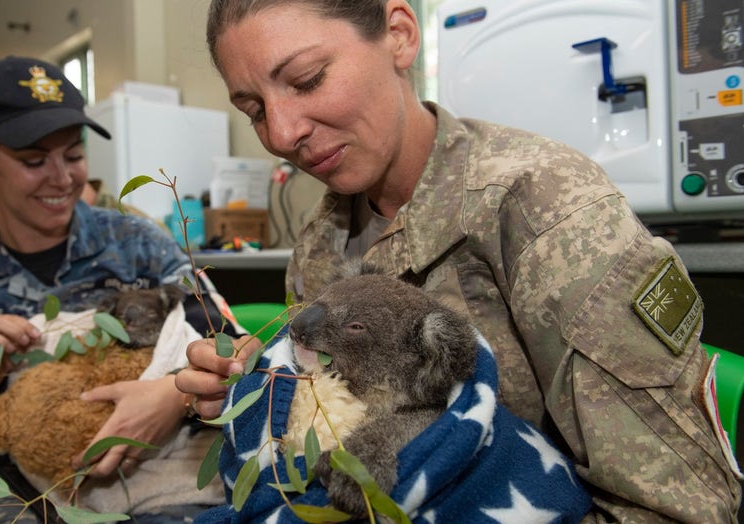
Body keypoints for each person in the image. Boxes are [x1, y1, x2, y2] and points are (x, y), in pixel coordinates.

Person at [175, 1, 743, 522]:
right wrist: (261, 393)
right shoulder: (319, 243)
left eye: (307, 80)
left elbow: (675, 508)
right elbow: (336, 410)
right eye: (254, 110)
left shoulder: (550, 212)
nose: (282, 132)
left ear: (399, 35)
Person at [0, 55, 230, 523]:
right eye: (34, 160)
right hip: (22, 493)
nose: (62, 178)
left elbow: (232, 347)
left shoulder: (141, 248)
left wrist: (174, 396)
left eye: (74, 155)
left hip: (164, 473)